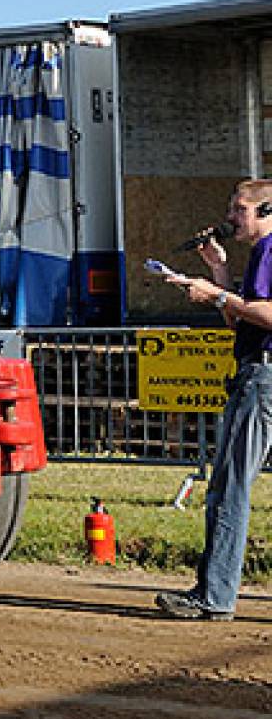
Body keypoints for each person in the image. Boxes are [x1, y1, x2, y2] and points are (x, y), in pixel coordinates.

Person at [155, 180, 272, 621]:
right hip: (257, 371)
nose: (230, 217)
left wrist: (219, 294)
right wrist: (219, 273)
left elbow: (269, 315)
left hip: (262, 378)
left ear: (266, 212)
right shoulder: (262, 254)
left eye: (239, 210)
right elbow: (242, 324)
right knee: (228, 486)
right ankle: (213, 591)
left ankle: (215, 595)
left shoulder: (271, 251)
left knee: (229, 488)